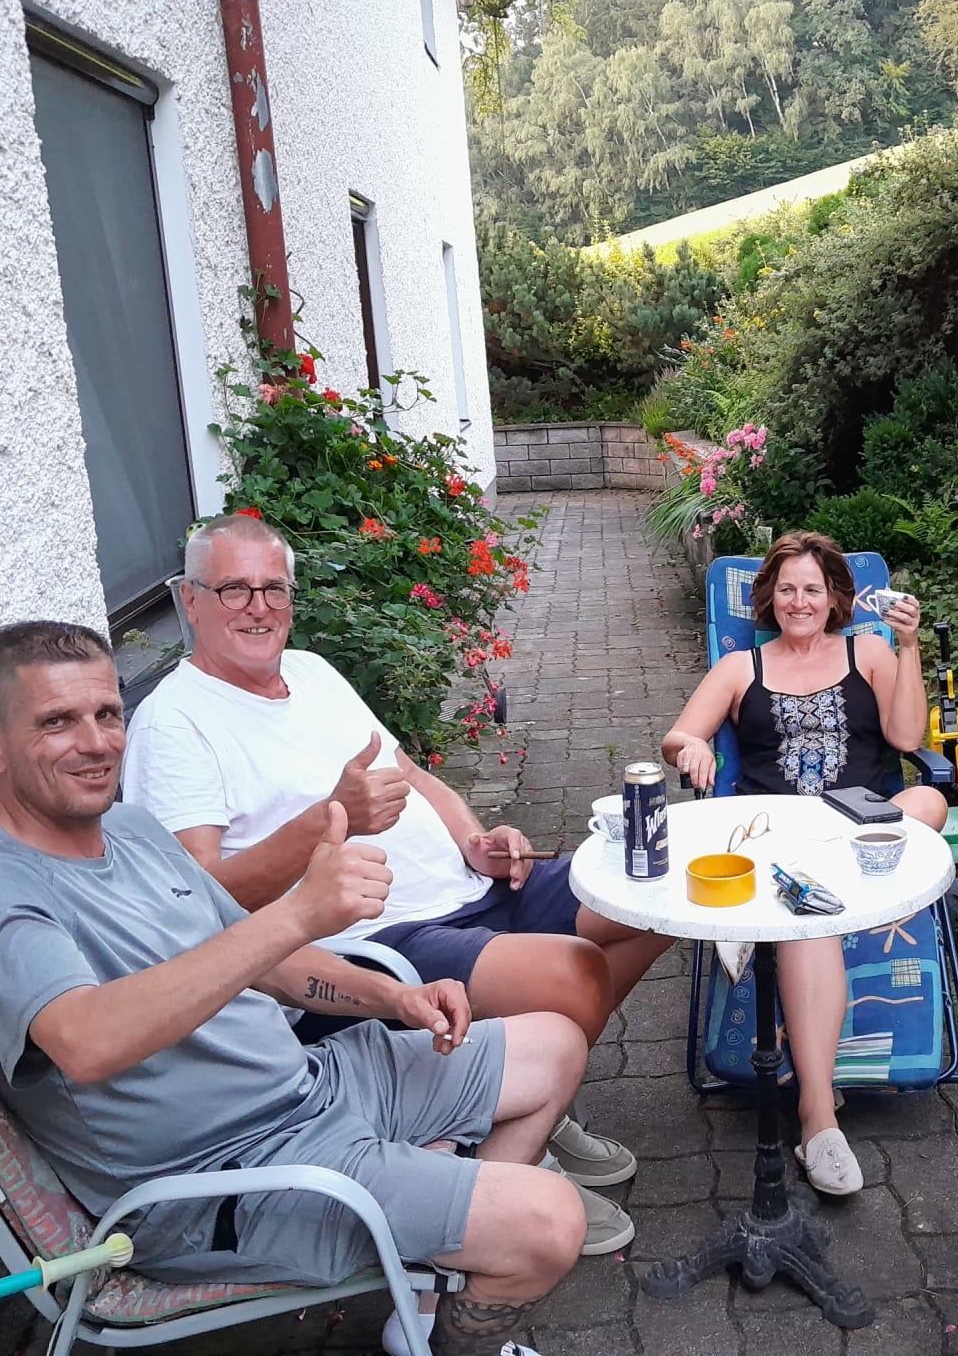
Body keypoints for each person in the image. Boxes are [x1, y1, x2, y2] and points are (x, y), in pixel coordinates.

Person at [0, 621, 586, 1356]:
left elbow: (260, 961)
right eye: (57, 722)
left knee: (554, 1046)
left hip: (310, 1086)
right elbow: (84, 1042)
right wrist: (299, 913)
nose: (96, 743)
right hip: (226, 1178)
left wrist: (394, 999)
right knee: (548, 1223)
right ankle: (459, 1305)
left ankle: (428, 1306)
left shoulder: (132, 830)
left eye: (107, 713)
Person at [122, 513, 671, 1256]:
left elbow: (409, 773)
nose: (258, 607)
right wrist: (331, 820)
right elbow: (202, 899)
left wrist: (474, 842)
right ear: (190, 599)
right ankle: (505, 1158)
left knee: (654, 899)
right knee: (575, 975)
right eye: (234, 589)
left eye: (274, 588)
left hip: (468, 889)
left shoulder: (311, 672)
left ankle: (536, 1100)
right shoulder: (175, 723)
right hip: (376, 937)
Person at [660, 531, 948, 1197]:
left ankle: (792, 899)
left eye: (812, 589)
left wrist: (908, 648)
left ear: (835, 598)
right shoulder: (742, 668)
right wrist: (690, 750)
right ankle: (818, 1117)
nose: (799, 601)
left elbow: (907, 738)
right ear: (769, 597)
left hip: (859, 833)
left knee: (928, 798)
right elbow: (680, 733)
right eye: (786, 589)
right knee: (809, 917)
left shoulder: (868, 651)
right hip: (775, 840)